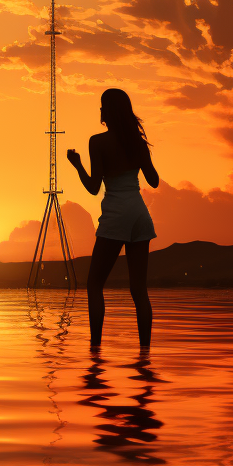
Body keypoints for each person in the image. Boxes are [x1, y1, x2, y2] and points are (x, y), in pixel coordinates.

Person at [67, 89, 159, 347]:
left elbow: (94, 187)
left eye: (101, 107)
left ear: (107, 111)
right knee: (139, 290)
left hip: (116, 213)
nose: (100, 112)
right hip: (139, 214)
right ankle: (145, 352)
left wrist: (77, 166)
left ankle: (95, 350)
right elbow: (153, 181)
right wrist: (141, 157)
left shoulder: (97, 142)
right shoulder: (138, 144)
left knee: (94, 284)